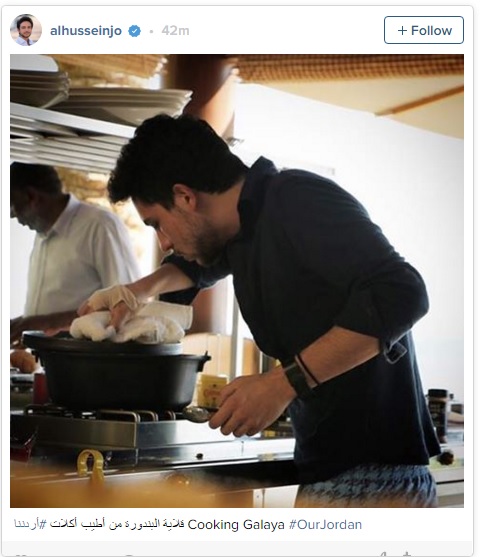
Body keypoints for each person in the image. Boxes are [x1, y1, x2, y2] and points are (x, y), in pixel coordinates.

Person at [80, 114, 441, 508]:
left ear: (184, 196)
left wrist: (282, 384)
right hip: (336, 471)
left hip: (375, 478)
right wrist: (135, 292)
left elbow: (402, 292)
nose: (163, 242)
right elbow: (199, 264)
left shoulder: (296, 199)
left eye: (157, 224)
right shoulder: (245, 226)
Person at [10, 162, 141, 346]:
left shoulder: (99, 225)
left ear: (32, 197)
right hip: (45, 358)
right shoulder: (41, 234)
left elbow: (127, 304)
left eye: (12, 206)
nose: (12, 216)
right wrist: (23, 325)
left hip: (85, 360)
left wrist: (41, 324)